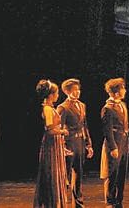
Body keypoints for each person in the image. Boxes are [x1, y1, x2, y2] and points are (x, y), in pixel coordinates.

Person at [32, 79, 73, 208]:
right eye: (56, 93)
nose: (57, 95)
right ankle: (52, 203)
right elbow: (49, 129)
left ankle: (56, 203)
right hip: (51, 146)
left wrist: (62, 146)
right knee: (52, 174)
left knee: (56, 173)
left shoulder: (51, 108)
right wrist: (62, 131)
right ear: (50, 95)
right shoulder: (47, 109)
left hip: (55, 144)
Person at [57, 79, 93, 208]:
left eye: (78, 90)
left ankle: (78, 203)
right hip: (69, 144)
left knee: (78, 175)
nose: (77, 92)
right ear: (67, 92)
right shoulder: (63, 107)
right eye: (74, 90)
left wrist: (88, 145)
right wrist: (62, 146)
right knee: (65, 176)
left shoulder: (82, 105)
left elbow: (85, 126)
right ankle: (62, 202)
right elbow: (59, 129)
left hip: (79, 143)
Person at [100, 78, 129, 208]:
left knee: (121, 174)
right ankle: (110, 202)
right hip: (114, 143)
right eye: (123, 88)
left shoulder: (122, 105)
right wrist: (113, 147)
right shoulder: (108, 108)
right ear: (116, 92)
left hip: (123, 142)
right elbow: (107, 130)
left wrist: (127, 144)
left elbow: (126, 126)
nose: (125, 91)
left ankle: (119, 201)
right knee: (112, 174)